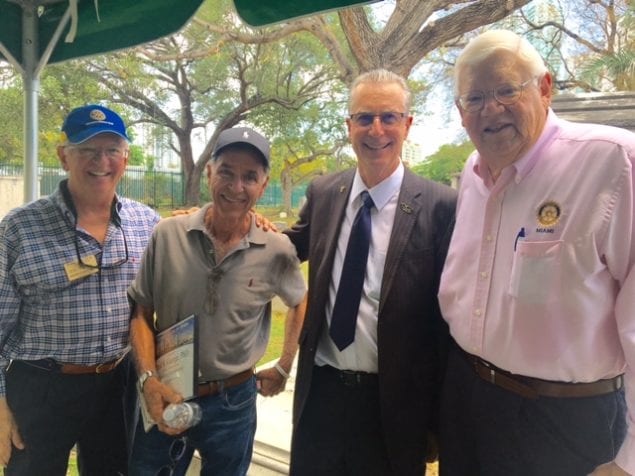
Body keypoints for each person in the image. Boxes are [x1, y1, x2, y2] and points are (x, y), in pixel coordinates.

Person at [438, 29, 635, 476]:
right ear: (460, 111)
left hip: (562, 422)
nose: (490, 109)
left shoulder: (613, 163)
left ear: (544, 88)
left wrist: (629, 461)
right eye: (475, 98)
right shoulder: (472, 173)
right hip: (467, 397)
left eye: (507, 89)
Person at [285, 69, 457, 475]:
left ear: (407, 124)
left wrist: (436, 421)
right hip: (321, 398)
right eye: (364, 117)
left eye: (388, 117)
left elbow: (447, 326)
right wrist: (222, 220)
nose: (375, 129)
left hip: (393, 406)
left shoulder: (442, 206)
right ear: (349, 126)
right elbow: (284, 250)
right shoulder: (325, 193)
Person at [127, 126, 307, 476]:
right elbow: (141, 311)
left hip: (234, 401)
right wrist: (148, 379)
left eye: (249, 177)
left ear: (263, 185)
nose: (236, 187)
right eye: (226, 172)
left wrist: (285, 364)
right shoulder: (167, 235)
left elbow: (299, 300)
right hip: (168, 390)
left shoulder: (276, 249)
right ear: (209, 172)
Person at [0, 104, 160, 475]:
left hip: (117, 383)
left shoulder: (147, 223)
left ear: (125, 157)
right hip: (42, 385)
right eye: (87, 150)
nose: (100, 161)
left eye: (111, 151)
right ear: (63, 156)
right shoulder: (19, 229)